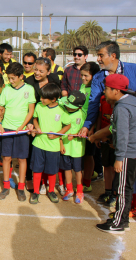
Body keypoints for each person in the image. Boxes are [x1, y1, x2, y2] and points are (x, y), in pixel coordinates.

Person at [96, 74, 136, 234]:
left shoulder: (122, 107)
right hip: (130, 151)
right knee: (125, 186)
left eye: (106, 89)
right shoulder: (131, 101)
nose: (104, 92)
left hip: (127, 153)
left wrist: (119, 158)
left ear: (115, 90)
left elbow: (122, 134)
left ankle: (119, 222)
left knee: (122, 188)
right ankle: (121, 217)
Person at [80, 41, 136, 139]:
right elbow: (94, 102)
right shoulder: (98, 78)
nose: (98, 59)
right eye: (98, 56)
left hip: (131, 128)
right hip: (108, 127)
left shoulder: (133, 70)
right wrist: (87, 125)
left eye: (101, 55)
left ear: (113, 56)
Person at [0, 63, 36, 202]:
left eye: (13, 78)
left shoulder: (30, 89)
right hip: (7, 129)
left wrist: (22, 126)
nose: (10, 81)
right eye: (9, 78)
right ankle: (6, 186)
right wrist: (0, 124)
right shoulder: (6, 89)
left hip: (22, 130)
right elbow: (0, 108)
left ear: (21, 76)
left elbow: (31, 110)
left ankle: (20, 188)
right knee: (6, 158)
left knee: (21, 159)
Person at [29, 83, 71, 204]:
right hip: (38, 144)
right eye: (40, 97)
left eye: (43, 98)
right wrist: (37, 127)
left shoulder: (61, 110)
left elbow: (68, 125)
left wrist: (57, 135)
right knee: (37, 169)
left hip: (53, 147)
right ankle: (36, 192)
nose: (41, 99)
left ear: (53, 99)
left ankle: (51, 190)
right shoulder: (39, 106)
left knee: (52, 171)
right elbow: (35, 118)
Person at [24, 57, 60, 191]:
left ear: (49, 72)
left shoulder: (55, 80)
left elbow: (58, 101)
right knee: (30, 153)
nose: (37, 73)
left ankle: (45, 182)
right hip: (33, 121)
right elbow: (26, 106)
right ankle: (29, 179)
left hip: (49, 123)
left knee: (48, 154)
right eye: (36, 70)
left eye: (41, 71)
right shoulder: (28, 82)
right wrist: (30, 123)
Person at [58, 90, 86, 204]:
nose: (68, 107)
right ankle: (69, 189)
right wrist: (61, 143)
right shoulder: (63, 112)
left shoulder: (82, 115)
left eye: (71, 106)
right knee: (67, 169)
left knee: (78, 170)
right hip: (65, 147)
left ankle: (79, 191)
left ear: (78, 107)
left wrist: (75, 136)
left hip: (77, 149)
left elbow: (84, 132)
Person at [78, 62, 101, 194]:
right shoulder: (83, 86)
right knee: (83, 153)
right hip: (80, 126)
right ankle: (90, 173)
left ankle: (87, 183)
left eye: (86, 75)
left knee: (88, 154)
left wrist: (91, 127)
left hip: (89, 127)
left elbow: (96, 110)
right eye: (81, 75)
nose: (83, 78)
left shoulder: (96, 89)